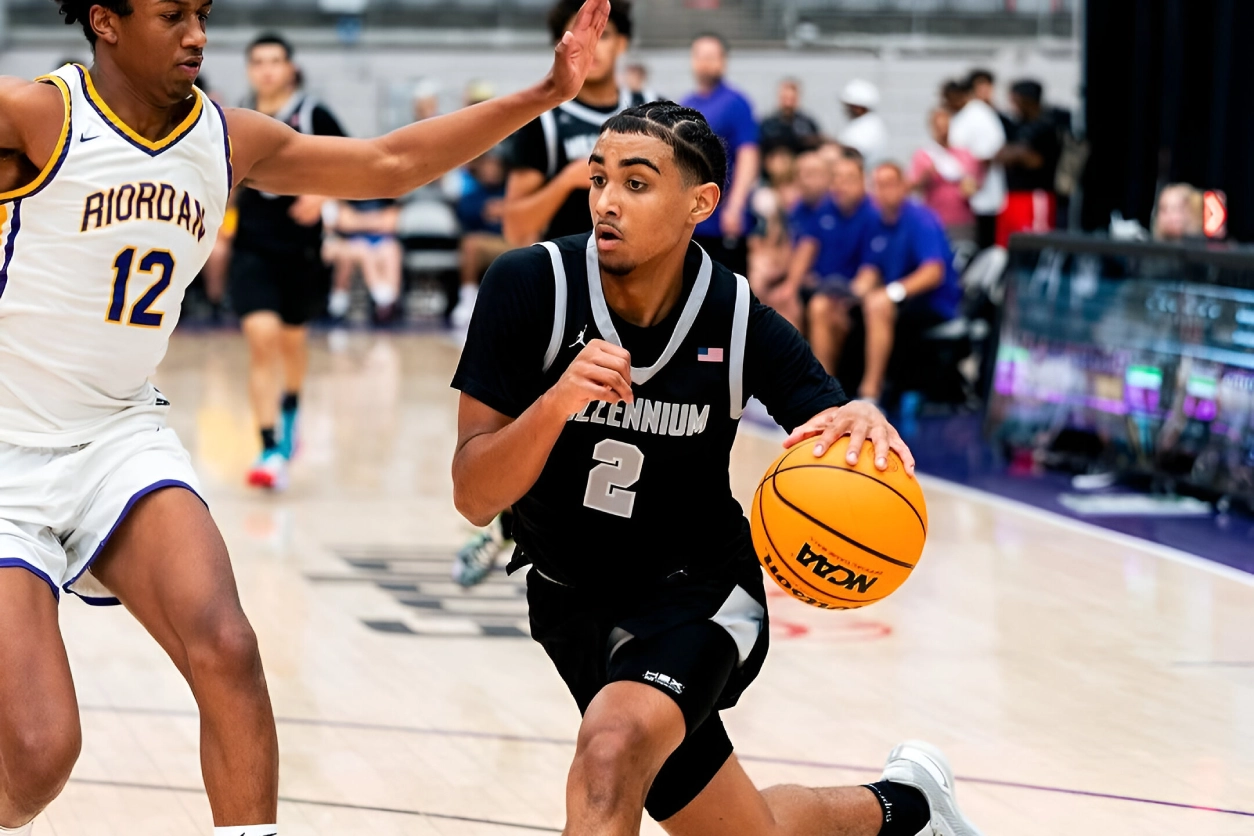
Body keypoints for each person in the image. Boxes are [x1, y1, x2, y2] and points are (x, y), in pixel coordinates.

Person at [0, 1, 611, 834]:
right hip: (6, 454)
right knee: (39, 755)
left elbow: (390, 162)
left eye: (204, 14)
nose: (197, 35)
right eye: (171, 14)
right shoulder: (39, 117)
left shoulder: (227, 136)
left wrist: (544, 92)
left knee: (229, 647)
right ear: (104, 21)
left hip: (116, 436)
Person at [450, 101, 982, 836]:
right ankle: (907, 807)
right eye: (599, 178)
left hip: (699, 590)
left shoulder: (735, 319)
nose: (606, 200)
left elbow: (833, 423)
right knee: (740, 829)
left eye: (636, 184)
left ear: (701, 202)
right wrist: (556, 402)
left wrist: (861, 416)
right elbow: (474, 497)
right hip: (569, 598)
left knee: (609, 756)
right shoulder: (529, 286)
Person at [452, 0, 647, 587]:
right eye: (592, 35)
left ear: (626, 43)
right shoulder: (544, 123)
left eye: (612, 34)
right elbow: (513, 225)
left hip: (633, 291)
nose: (602, 44)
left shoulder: (650, 121)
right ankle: (509, 530)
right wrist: (568, 180)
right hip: (558, 293)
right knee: (537, 427)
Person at [231, 33, 345, 489]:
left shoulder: (312, 113)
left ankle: (291, 409)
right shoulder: (236, 115)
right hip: (253, 248)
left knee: (292, 342)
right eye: (258, 61)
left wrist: (321, 195)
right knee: (262, 339)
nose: (267, 69)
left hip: (301, 250)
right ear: (249, 69)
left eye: (275, 60)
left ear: (290, 67)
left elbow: (356, 163)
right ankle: (267, 445)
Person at [848, 163, 962, 403]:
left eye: (889, 184)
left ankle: (870, 394)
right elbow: (871, 267)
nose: (883, 191)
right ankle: (826, 390)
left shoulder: (921, 218)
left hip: (933, 303)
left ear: (904, 186)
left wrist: (891, 292)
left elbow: (933, 272)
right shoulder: (875, 222)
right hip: (899, 301)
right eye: (878, 185)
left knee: (879, 304)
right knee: (829, 305)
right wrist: (855, 289)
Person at [681, 33, 759, 276]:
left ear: (723, 61)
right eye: (700, 56)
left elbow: (748, 155)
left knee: (727, 298)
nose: (705, 62)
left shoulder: (736, 103)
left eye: (711, 56)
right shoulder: (686, 104)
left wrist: (735, 206)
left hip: (724, 221)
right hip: (692, 221)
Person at [797, 151, 881, 374]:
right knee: (787, 303)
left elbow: (871, 272)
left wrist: (848, 298)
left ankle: (824, 385)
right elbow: (806, 248)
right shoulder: (825, 209)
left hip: (854, 297)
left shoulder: (873, 215)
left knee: (821, 307)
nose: (841, 185)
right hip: (824, 289)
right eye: (837, 178)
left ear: (863, 181)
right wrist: (791, 284)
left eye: (849, 179)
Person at [995, 79, 1061, 248]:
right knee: (1008, 246)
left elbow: (1032, 160)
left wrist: (1014, 153)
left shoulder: (1046, 126)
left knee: (1033, 245)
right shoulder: (1016, 125)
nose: (1012, 103)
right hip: (1011, 195)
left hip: (1035, 197)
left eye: (1015, 98)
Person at [944, 77, 1006, 251]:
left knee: (982, 243)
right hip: (966, 193)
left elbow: (988, 153)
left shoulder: (979, 114)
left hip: (980, 191)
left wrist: (975, 183)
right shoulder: (963, 115)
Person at [324, 197, 404, 324]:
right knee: (361, 250)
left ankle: (387, 303)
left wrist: (358, 220)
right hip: (352, 242)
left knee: (391, 250)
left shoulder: (387, 195)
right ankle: (341, 304)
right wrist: (376, 220)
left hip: (380, 240)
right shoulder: (346, 196)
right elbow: (343, 222)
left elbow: (392, 222)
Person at [908, 108, 979, 244]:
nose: (942, 131)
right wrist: (926, 175)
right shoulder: (924, 155)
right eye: (938, 126)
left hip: (961, 219)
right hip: (934, 218)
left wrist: (969, 187)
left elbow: (975, 185)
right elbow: (912, 187)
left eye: (945, 126)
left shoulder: (964, 154)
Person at [758, 77, 821, 156]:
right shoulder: (767, 123)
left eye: (791, 99)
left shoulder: (807, 123)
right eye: (785, 98)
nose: (788, 104)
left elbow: (817, 144)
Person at [837, 79, 888, 168]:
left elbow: (852, 154)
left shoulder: (867, 128)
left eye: (849, 106)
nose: (846, 110)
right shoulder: (866, 123)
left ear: (858, 107)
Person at [967, 68, 1015, 138]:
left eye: (987, 86)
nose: (985, 91)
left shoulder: (1001, 116)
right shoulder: (968, 114)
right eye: (980, 88)